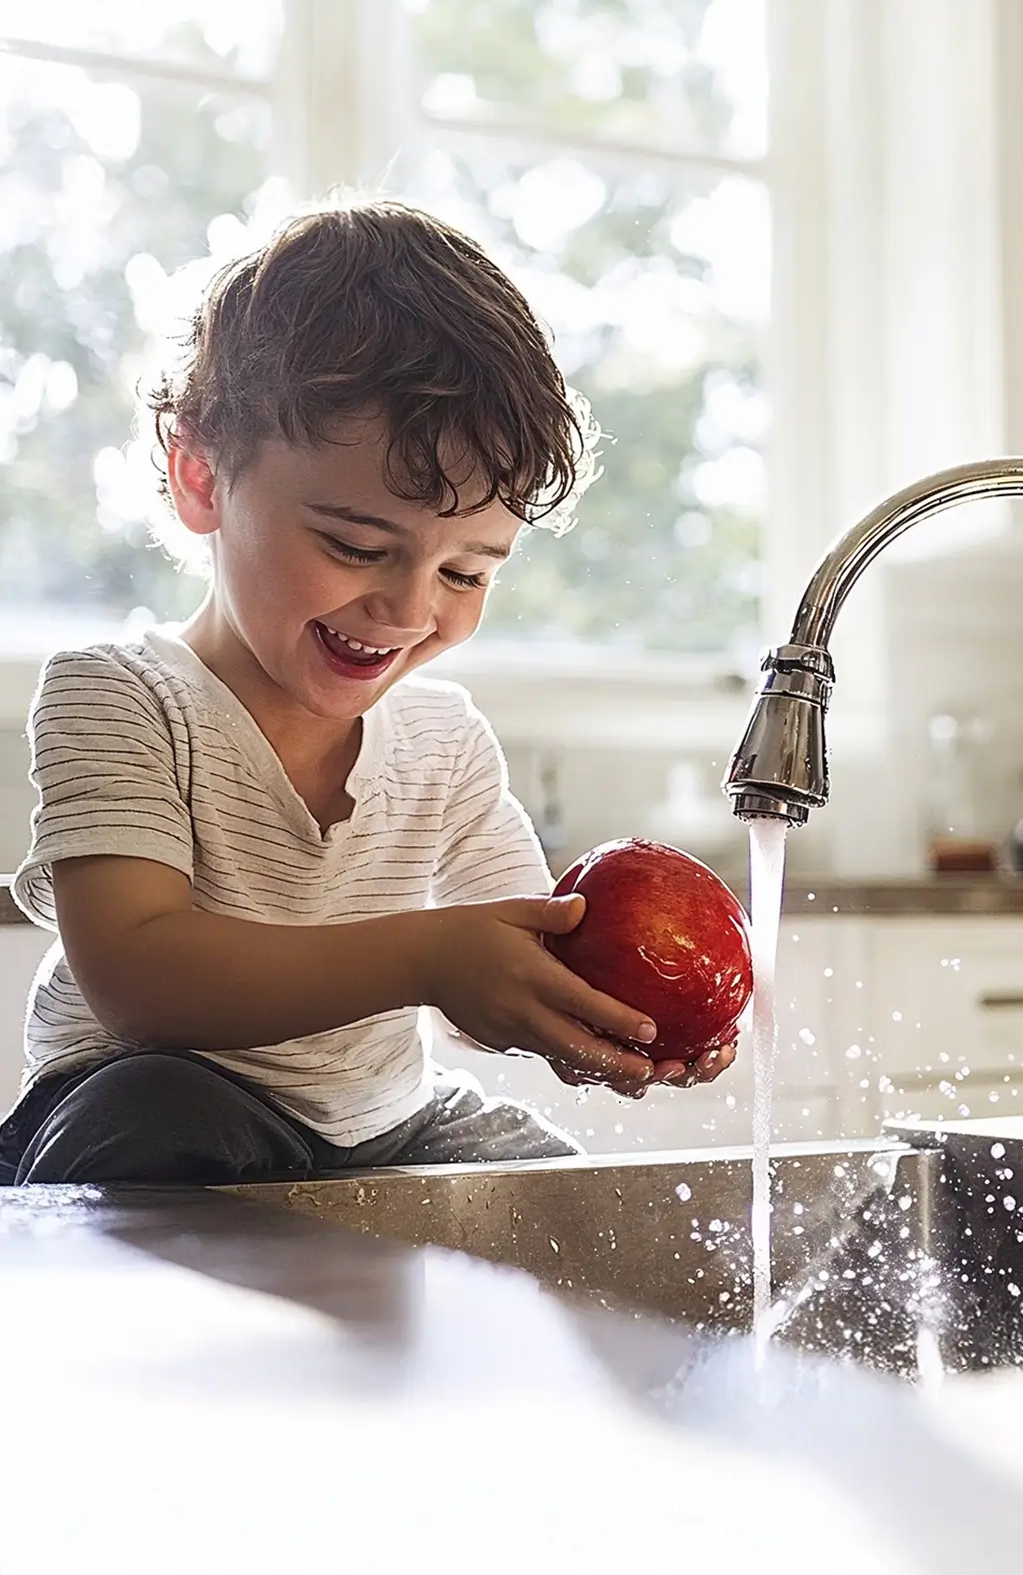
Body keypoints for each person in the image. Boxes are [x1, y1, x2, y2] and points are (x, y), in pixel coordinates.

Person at [0, 198, 735, 1186]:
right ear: (201, 476)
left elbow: (517, 961)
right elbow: (139, 978)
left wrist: (611, 1018)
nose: (407, 607)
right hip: (159, 1104)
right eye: (354, 546)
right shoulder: (120, 698)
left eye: (466, 574)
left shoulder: (443, 740)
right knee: (147, 1113)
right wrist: (427, 960)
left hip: (385, 1123)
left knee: (564, 1191)